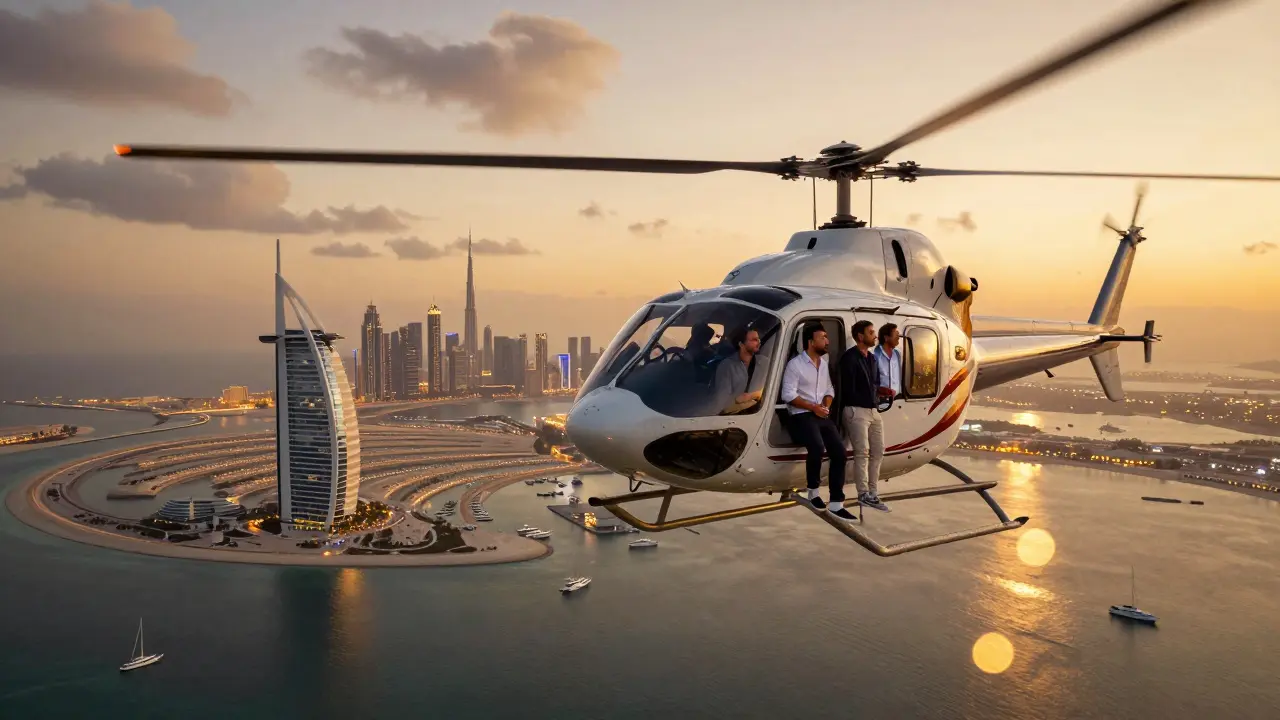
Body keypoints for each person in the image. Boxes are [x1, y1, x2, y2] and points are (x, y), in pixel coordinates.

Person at [780, 323, 855, 521]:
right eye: (823, 337)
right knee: (817, 447)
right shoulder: (795, 365)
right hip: (800, 414)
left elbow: (829, 389)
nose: (827, 341)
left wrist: (825, 405)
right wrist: (813, 407)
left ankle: (837, 503)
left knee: (839, 453)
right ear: (811, 342)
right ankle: (812, 492)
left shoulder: (824, 363)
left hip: (821, 413)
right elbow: (787, 395)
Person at [838, 320, 891, 513]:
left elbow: (874, 383)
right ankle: (863, 494)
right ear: (860, 336)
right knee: (862, 452)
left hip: (872, 410)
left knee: (878, 451)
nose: (874, 336)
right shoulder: (849, 358)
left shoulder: (871, 358)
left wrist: (879, 393)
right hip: (855, 410)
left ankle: (873, 492)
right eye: (871, 332)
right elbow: (848, 388)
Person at [714, 327, 762, 414]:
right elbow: (722, 403)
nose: (759, 342)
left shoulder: (766, 363)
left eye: (759, 339)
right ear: (741, 344)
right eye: (754, 340)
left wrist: (750, 396)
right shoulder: (727, 366)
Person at [875, 323, 903, 399]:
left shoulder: (898, 354)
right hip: (881, 403)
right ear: (886, 338)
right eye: (895, 333)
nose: (898, 336)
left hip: (898, 402)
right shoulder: (874, 354)